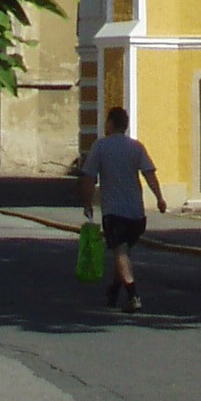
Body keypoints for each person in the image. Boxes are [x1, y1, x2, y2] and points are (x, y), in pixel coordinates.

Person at [79, 105, 166, 314]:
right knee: (123, 252)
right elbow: (149, 173)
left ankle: (133, 294)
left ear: (110, 123)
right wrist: (159, 198)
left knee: (120, 252)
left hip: (114, 212)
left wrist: (87, 203)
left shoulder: (100, 147)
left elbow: (89, 177)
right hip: (137, 214)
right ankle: (114, 290)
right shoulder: (136, 147)